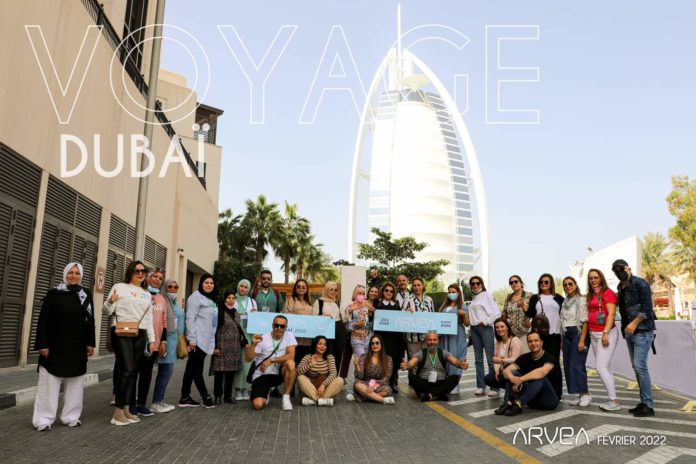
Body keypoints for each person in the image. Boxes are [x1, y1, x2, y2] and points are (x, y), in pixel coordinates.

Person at [32, 262, 95, 431]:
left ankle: (71, 417)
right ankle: (43, 419)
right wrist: (43, 344)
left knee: (75, 383)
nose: (73, 276)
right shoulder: (54, 294)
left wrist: (90, 342)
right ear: (65, 274)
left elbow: (90, 321)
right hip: (55, 346)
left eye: (77, 273)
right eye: (70, 272)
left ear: (81, 276)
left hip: (77, 346)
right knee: (49, 383)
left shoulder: (85, 294)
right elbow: (43, 320)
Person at [104, 260, 156, 426]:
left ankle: (126, 409)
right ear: (130, 272)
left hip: (140, 333)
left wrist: (152, 340)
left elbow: (149, 319)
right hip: (121, 331)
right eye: (136, 271)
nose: (140, 274)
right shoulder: (119, 287)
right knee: (126, 370)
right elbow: (107, 311)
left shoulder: (146, 294)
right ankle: (117, 412)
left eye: (143, 271)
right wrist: (110, 301)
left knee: (133, 371)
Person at [612, 259, 657, 417]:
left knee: (640, 367)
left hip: (643, 331)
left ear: (628, 269)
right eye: (615, 272)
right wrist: (626, 329)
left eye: (620, 270)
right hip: (630, 333)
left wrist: (635, 323)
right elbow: (623, 309)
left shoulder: (640, 283)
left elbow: (647, 308)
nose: (618, 274)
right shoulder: (620, 287)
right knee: (637, 367)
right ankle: (643, 402)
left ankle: (648, 406)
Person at [129, 268, 168, 417]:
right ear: (148, 277)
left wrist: (163, 341)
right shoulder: (140, 294)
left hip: (154, 343)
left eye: (160, 278)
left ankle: (141, 404)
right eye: (155, 276)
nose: (157, 280)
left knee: (146, 374)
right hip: (137, 340)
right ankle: (130, 404)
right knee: (133, 372)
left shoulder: (162, 299)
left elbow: (164, 322)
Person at [496, 331, 560, 416]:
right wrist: (512, 378)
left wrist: (520, 380)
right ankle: (507, 403)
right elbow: (505, 371)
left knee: (541, 378)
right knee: (513, 373)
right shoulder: (524, 357)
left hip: (549, 401)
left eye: (536, 341)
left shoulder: (550, 357)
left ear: (541, 342)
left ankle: (519, 405)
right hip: (531, 400)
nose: (533, 343)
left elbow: (542, 372)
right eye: (530, 341)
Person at [178, 274, 217, 409]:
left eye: (211, 283)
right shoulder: (195, 297)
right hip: (197, 340)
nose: (209, 285)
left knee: (190, 369)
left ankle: (184, 397)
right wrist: (192, 339)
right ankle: (206, 397)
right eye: (206, 282)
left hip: (206, 340)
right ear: (201, 284)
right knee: (196, 370)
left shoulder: (210, 299)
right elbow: (190, 319)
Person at [583, 269, 620, 411]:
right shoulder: (591, 294)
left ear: (601, 278)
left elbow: (611, 314)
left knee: (600, 367)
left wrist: (605, 332)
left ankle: (614, 401)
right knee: (606, 367)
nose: (593, 280)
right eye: (591, 278)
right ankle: (612, 397)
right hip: (593, 334)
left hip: (606, 334)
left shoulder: (608, 293)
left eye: (596, 277)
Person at [246, 315, 297, 411]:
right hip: (262, 375)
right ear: (272, 325)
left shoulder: (289, 335)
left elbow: (291, 356)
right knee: (257, 405)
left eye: (282, 326)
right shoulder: (263, 338)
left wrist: (271, 360)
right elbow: (248, 359)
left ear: (286, 327)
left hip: (278, 374)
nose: (279, 328)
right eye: (276, 325)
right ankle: (267, 391)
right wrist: (253, 344)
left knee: (291, 364)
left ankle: (286, 397)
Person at [400, 332, 468, 402]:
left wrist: (461, 364)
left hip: (440, 382)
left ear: (438, 341)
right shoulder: (421, 353)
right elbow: (411, 363)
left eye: (434, 340)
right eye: (429, 340)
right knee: (411, 377)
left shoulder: (443, 353)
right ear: (426, 341)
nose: (432, 342)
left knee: (455, 378)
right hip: (424, 383)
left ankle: (430, 395)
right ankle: (439, 394)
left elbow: (455, 362)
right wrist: (406, 365)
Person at [526, 273, 564, 399]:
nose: (543, 284)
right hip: (539, 335)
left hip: (554, 334)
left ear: (551, 283)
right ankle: (539, 391)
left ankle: (556, 392)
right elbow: (531, 313)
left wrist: (563, 337)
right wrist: (523, 307)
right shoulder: (535, 298)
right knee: (538, 362)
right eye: (541, 282)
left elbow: (563, 316)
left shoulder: (558, 298)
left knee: (554, 363)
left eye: (546, 282)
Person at [151, 279, 184, 413]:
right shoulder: (161, 302)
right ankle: (156, 402)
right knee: (165, 372)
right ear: (165, 288)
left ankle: (159, 400)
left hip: (173, 343)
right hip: (163, 342)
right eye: (169, 286)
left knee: (166, 372)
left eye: (175, 287)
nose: (172, 289)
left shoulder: (174, 303)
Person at [468, 276, 501, 397]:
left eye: (478, 283)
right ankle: (481, 386)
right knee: (478, 360)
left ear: (481, 284)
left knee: (490, 359)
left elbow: (497, 313)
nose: (475, 285)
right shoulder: (474, 297)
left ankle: (495, 387)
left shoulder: (487, 294)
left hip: (485, 329)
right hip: (474, 329)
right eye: (473, 283)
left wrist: (486, 322)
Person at [560, 276, 591, 407]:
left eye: (570, 284)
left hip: (578, 333)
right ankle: (579, 394)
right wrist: (562, 339)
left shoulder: (582, 300)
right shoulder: (565, 302)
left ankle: (585, 393)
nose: (568, 286)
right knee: (568, 365)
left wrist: (582, 340)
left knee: (577, 364)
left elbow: (585, 322)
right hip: (566, 334)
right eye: (565, 285)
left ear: (575, 285)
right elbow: (563, 321)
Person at [212, 291, 245, 404]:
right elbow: (213, 330)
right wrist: (215, 347)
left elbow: (240, 328)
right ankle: (217, 396)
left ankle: (228, 397)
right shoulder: (218, 311)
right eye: (229, 298)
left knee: (230, 374)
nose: (231, 300)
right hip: (221, 346)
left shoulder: (236, 312)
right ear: (225, 299)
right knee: (219, 373)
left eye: (233, 298)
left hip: (234, 347)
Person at [439, 284, 470, 394]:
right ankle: (448, 383)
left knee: (457, 357)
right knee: (445, 358)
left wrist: (464, 314)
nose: (451, 294)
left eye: (453, 292)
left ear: (458, 293)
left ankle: (455, 383)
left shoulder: (462, 306)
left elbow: (467, 323)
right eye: (449, 292)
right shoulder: (443, 307)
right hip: (445, 336)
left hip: (457, 335)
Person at [373, 282, 404, 392]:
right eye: (386, 290)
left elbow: (401, 320)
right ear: (383, 291)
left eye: (391, 291)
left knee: (394, 360)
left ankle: (391, 383)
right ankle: (381, 383)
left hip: (395, 338)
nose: (389, 292)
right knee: (382, 360)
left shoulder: (397, 305)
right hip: (382, 338)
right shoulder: (378, 304)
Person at [297, 335, 344, 406]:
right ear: (315, 345)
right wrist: (311, 364)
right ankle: (322, 400)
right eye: (320, 344)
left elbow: (334, 373)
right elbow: (299, 371)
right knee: (300, 378)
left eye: (325, 345)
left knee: (340, 380)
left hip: (324, 388)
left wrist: (323, 384)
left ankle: (314, 401)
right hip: (310, 388)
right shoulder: (308, 357)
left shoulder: (329, 357)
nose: (322, 346)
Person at [232, 279, 257, 401]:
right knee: (238, 362)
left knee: (248, 362)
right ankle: (237, 389)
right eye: (241, 286)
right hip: (236, 332)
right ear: (238, 287)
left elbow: (257, 319)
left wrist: (254, 313)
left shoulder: (252, 301)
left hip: (249, 334)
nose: (243, 288)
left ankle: (246, 389)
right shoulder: (232, 299)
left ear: (249, 289)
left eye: (246, 287)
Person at [352, 334, 395, 404]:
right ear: (370, 346)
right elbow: (359, 376)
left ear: (381, 344)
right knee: (357, 384)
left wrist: (374, 387)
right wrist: (356, 365)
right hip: (365, 384)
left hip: (379, 385)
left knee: (387, 391)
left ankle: (363, 398)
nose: (375, 345)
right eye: (372, 344)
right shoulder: (363, 357)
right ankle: (383, 400)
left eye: (377, 343)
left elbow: (386, 379)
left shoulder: (388, 359)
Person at [484, 318, 522, 394]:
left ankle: (514, 390)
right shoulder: (498, 342)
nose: (499, 329)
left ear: (507, 327)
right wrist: (497, 371)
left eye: (502, 326)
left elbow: (515, 359)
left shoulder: (515, 340)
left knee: (507, 375)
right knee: (488, 379)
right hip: (503, 370)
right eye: (497, 327)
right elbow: (496, 359)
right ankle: (512, 388)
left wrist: (501, 360)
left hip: (516, 369)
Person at [312, 281, 343, 372]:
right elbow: (313, 317)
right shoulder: (319, 302)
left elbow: (343, 317)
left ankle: (335, 375)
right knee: (327, 353)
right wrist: (322, 316)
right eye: (331, 289)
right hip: (325, 330)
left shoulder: (337, 302)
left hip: (338, 329)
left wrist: (349, 311)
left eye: (335, 290)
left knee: (338, 354)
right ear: (326, 289)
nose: (333, 291)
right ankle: (324, 374)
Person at [284, 279, 314, 364]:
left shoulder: (310, 302)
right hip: (295, 336)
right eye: (298, 286)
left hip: (308, 338)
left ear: (307, 289)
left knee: (305, 361)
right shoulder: (291, 299)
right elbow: (287, 314)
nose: (301, 288)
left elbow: (314, 316)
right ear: (295, 288)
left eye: (304, 287)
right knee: (294, 361)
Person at [404, 277, 434, 357]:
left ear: (423, 286)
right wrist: (406, 312)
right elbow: (402, 317)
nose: (417, 287)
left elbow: (432, 317)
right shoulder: (408, 299)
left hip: (426, 337)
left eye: (419, 285)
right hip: (413, 337)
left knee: (426, 360)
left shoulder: (429, 300)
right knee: (414, 361)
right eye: (414, 285)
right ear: (412, 287)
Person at [502, 275, 533, 354]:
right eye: (511, 282)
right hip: (511, 334)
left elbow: (536, 312)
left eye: (516, 281)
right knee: (513, 357)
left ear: (521, 283)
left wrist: (532, 323)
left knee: (525, 356)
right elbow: (504, 313)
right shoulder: (508, 297)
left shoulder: (530, 296)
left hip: (524, 333)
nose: (513, 283)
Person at [345, 285, 372, 361]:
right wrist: (355, 325)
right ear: (355, 294)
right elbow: (346, 326)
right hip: (356, 339)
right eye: (359, 293)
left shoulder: (367, 307)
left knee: (366, 362)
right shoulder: (350, 307)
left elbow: (369, 323)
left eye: (363, 294)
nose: (362, 295)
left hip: (368, 339)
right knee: (361, 361)